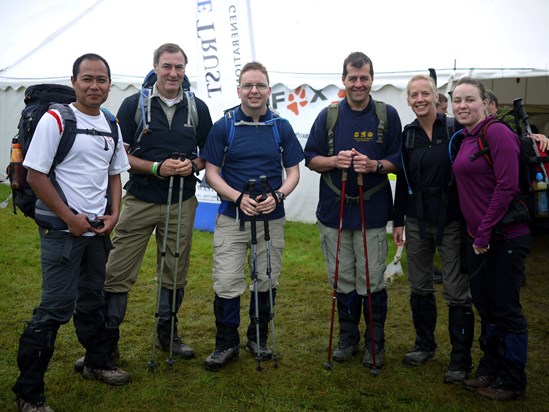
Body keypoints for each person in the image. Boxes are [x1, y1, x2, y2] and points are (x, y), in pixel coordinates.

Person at [12, 53, 131, 412]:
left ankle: (96, 362)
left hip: (97, 231)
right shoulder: (55, 120)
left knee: (93, 298)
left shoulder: (111, 122)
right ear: (74, 81)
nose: (95, 86)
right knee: (55, 306)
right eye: (87, 79)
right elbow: (35, 175)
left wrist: (114, 214)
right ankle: (28, 392)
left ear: (110, 84)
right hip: (61, 233)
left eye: (102, 80)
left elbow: (115, 172)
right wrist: (69, 218)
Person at [98, 43, 213, 365]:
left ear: (185, 70)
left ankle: (168, 334)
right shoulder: (134, 104)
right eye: (167, 66)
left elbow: (210, 153)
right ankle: (107, 344)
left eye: (179, 67)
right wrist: (155, 167)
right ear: (155, 67)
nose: (173, 73)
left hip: (181, 200)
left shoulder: (198, 108)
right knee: (117, 269)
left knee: (175, 270)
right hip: (140, 198)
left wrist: (194, 166)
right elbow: (119, 155)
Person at [201, 61, 303, 371]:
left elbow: (294, 171)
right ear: (239, 90)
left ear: (269, 90)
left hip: (270, 219)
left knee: (266, 278)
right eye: (248, 86)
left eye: (259, 85)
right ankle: (226, 343)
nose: (254, 91)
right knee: (228, 280)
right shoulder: (225, 126)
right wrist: (238, 197)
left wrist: (278, 196)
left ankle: (258, 337)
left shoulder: (280, 127)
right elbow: (211, 173)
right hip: (232, 217)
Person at [304, 52, 402, 368]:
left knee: (371, 280)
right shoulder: (329, 115)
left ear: (372, 79)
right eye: (352, 78)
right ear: (343, 80)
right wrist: (334, 161)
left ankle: (375, 343)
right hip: (334, 213)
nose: (358, 84)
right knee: (342, 278)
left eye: (364, 78)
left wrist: (374, 165)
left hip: (372, 213)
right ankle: (348, 338)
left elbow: (398, 160)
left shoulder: (387, 115)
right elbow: (311, 158)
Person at [452, 76, 530, 401]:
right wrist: (476, 235)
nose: (463, 106)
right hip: (479, 239)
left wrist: (483, 232)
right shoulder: (465, 137)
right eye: (457, 100)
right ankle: (491, 368)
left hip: (504, 237)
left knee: (506, 309)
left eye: (470, 99)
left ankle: (512, 380)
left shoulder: (496, 132)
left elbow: (507, 185)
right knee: (486, 306)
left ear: (485, 102)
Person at [393, 74, 474, 384]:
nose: (419, 99)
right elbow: (402, 180)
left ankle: (460, 359)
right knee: (419, 285)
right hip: (415, 219)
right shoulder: (407, 134)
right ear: (409, 100)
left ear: (436, 96)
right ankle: (424, 345)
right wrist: (397, 220)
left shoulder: (455, 128)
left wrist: (528, 138)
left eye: (425, 93)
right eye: (414, 95)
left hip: (452, 219)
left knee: (456, 289)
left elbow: (488, 141)